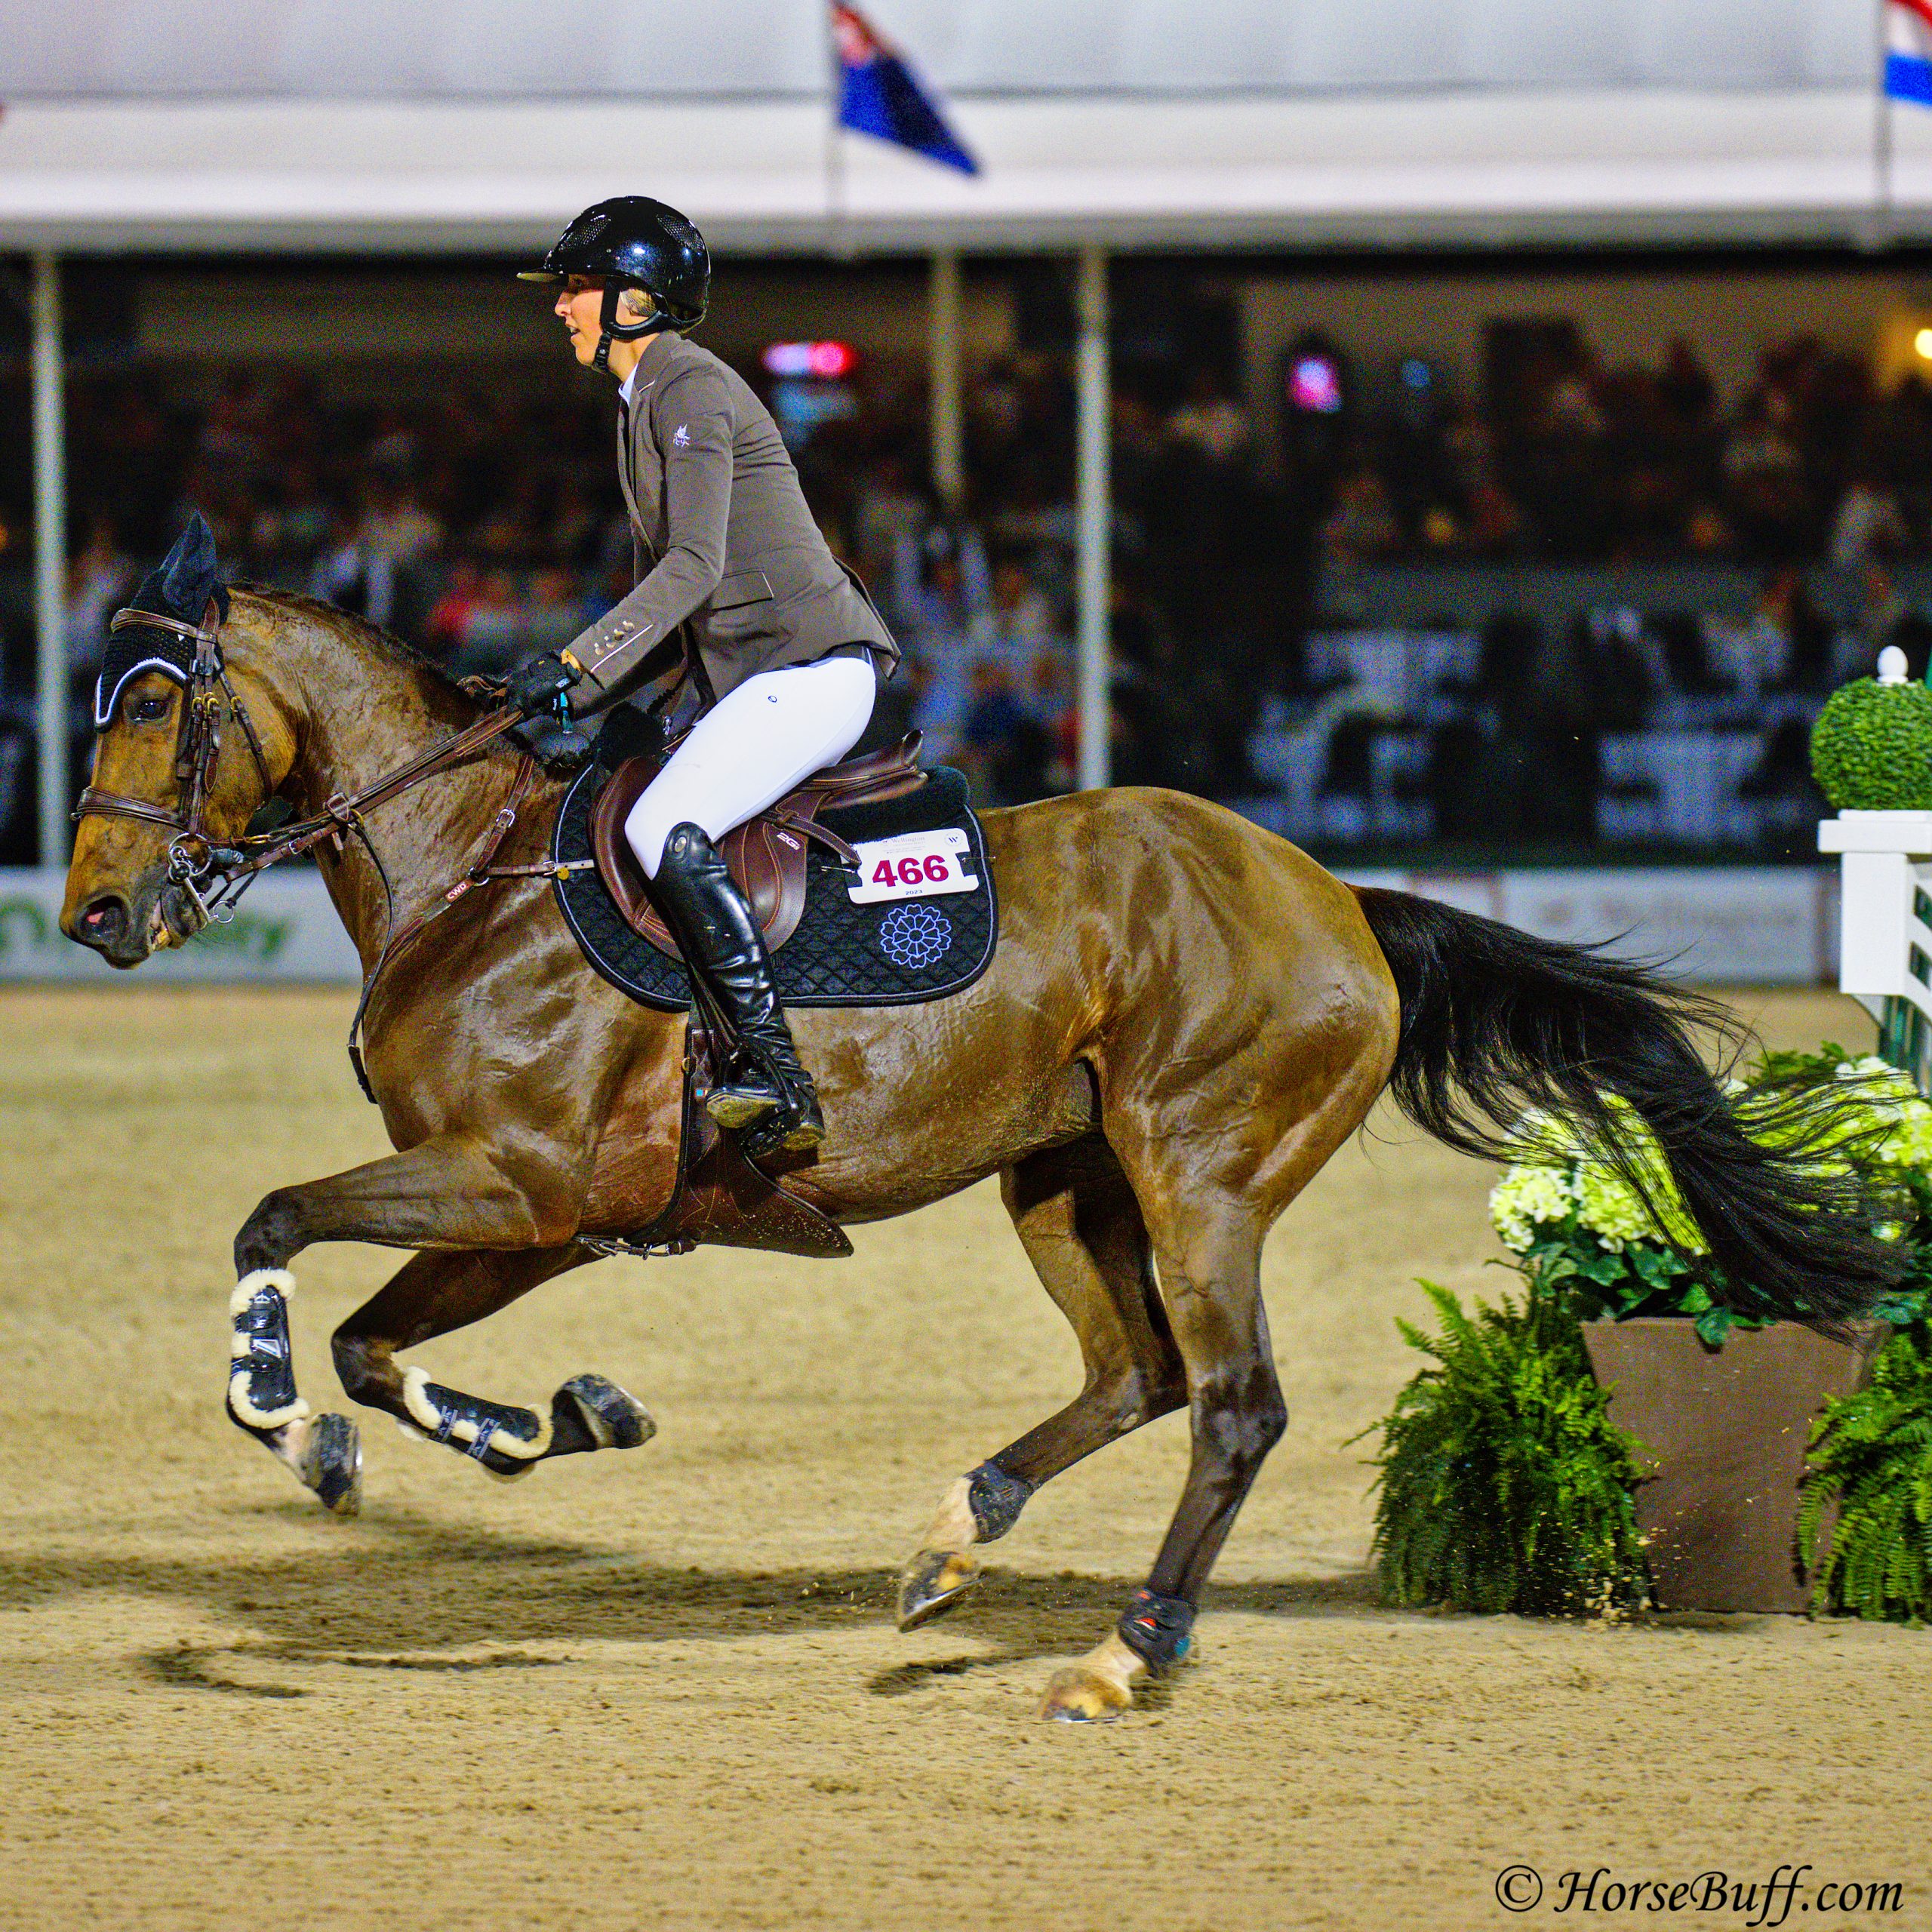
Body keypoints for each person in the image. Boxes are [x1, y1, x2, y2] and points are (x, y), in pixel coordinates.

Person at [506, 197, 898, 1158]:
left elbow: (693, 570)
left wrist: (574, 664)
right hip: (758, 677)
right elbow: (669, 600)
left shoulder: (687, 387)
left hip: (808, 671)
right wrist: (585, 696)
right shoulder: (642, 404)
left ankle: (776, 1072)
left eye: (577, 288)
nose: (561, 307)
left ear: (635, 300)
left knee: (657, 827)